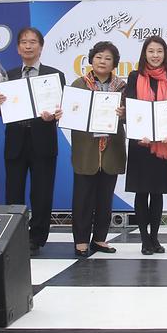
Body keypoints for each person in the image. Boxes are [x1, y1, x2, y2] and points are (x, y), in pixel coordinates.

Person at [0, 27, 65, 256]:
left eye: (33, 42)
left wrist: (53, 115)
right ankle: (14, 235)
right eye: (24, 42)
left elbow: (60, 109)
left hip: (43, 140)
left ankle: (37, 237)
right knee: (13, 191)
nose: (28, 46)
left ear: (41, 47)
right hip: (16, 140)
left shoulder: (54, 75)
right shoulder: (8, 76)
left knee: (42, 193)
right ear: (18, 48)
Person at [125, 35, 167, 255]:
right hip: (141, 144)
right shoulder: (134, 77)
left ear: (165, 54)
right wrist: (140, 132)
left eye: (159, 51)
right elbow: (130, 107)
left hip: (163, 145)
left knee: (157, 193)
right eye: (151, 51)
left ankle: (155, 238)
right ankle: (144, 240)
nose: (155, 55)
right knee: (141, 192)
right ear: (144, 54)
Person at [70, 41, 126, 256]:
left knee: (105, 197)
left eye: (108, 58)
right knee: (83, 197)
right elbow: (71, 113)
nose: (103, 62)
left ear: (114, 64)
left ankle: (100, 239)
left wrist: (124, 114)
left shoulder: (122, 87)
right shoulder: (79, 85)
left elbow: (133, 114)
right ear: (91, 59)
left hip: (111, 150)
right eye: (99, 57)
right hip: (87, 149)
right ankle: (81, 240)